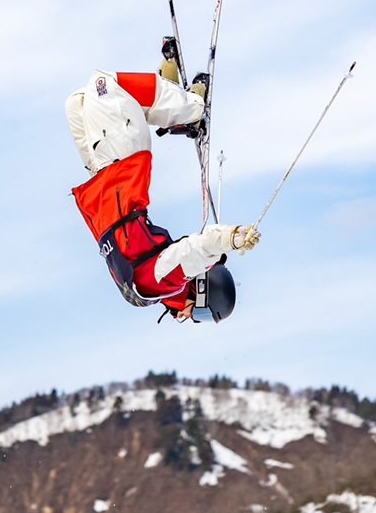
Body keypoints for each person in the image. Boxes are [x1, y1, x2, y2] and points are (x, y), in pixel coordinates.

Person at [65, 39, 260, 323]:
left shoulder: (148, 292)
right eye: (200, 314)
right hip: (122, 159)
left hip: (103, 171)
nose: (186, 317)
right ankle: (188, 106)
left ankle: (168, 96)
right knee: (104, 86)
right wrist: (231, 238)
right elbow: (194, 251)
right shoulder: (165, 283)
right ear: (203, 291)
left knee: (77, 102)